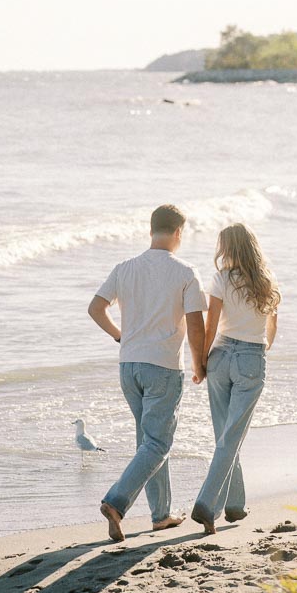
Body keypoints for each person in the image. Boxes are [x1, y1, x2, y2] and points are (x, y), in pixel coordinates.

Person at [88, 203, 207, 542]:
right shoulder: (185, 272)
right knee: (157, 442)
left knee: (149, 442)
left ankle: (161, 514)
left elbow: (95, 308)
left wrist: (119, 335)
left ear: (151, 229)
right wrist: (200, 363)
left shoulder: (125, 268)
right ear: (179, 233)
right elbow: (196, 325)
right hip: (163, 366)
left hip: (129, 366)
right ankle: (116, 501)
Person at [191, 223, 280, 535]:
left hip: (220, 356)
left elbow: (211, 325)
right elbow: (271, 330)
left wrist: (201, 362)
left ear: (226, 248)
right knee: (232, 437)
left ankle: (234, 505)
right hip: (250, 359)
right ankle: (207, 504)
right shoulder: (267, 280)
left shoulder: (221, 278)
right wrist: (258, 349)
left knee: (225, 436)